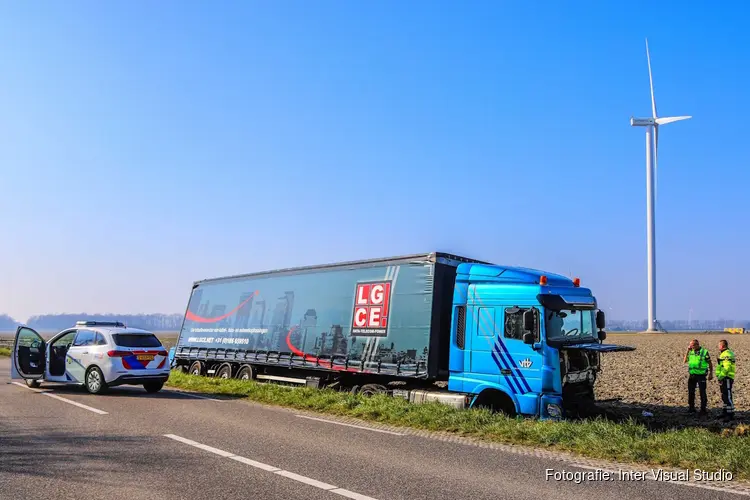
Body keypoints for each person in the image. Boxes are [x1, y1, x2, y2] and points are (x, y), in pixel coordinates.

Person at [684, 339, 712, 415]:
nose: (691, 347)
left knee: (702, 392)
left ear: (697, 344)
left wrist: (711, 373)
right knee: (691, 392)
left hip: (701, 375)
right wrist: (687, 351)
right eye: (690, 345)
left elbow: (710, 363)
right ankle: (691, 408)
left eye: (692, 345)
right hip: (692, 375)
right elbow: (685, 360)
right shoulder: (691, 352)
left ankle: (703, 409)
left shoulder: (704, 352)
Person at [715, 339, 736, 421]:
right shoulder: (724, 353)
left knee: (728, 396)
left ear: (722, 346)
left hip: (726, 377)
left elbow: (726, 368)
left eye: (719, 345)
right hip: (724, 378)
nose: (718, 347)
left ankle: (730, 414)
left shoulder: (726, 354)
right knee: (724, 396)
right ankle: (725, 412)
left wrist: (720, 376)